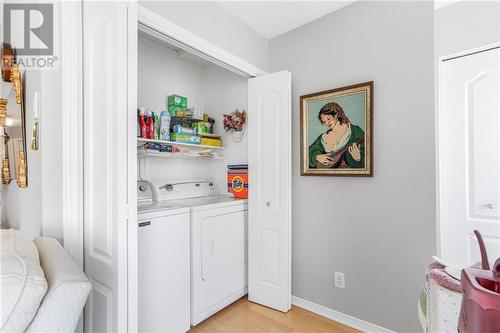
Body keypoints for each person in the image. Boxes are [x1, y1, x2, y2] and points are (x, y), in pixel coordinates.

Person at [309, 102, 365, 169]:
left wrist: (358, 158)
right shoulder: (323, 137)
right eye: (324, 122)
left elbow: (367, 155)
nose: (327, 123)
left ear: (336, 114)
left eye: (328, 118)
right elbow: (309, 151)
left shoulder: (355, 131)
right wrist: (317, 157)